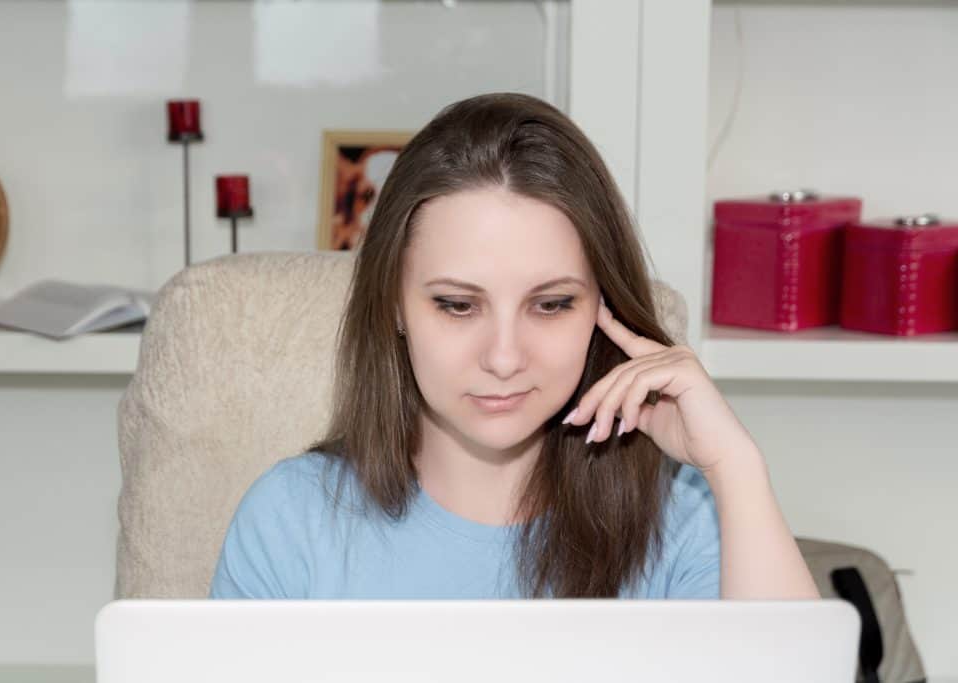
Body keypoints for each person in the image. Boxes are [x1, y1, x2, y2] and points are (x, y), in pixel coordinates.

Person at [209, 92, 819, 600]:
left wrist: (736, 469)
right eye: (457, 305)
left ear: (601, 308)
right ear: (394, 304)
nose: (503, 358)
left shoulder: (686, 521)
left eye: (550, 305)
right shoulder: (288, 521)